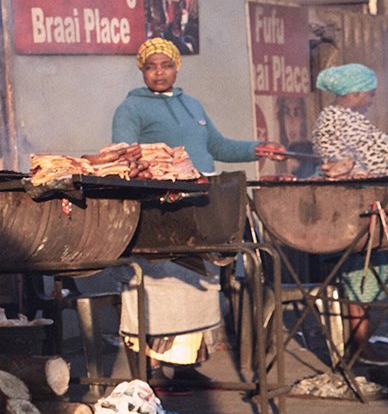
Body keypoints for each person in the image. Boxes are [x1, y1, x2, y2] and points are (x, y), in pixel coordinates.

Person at [100, 38, 283, 372]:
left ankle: (187, 365)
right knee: (162, 281)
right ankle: (152, 364)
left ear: (176, 68)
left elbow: (218, 146)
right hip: (162, 207)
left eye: (166, 65)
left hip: (202, 203)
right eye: (151, 66)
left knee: (200, 281)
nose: (159, 73)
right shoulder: (131, 108)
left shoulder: (193, 105)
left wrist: (258, 148)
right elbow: (124, 153)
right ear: (142, 70)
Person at [310, 63, 388, 346]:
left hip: (352, 207)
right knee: (360, 277)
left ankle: (360, 343)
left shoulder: (335, 118)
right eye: (370, 94)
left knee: (362, 276)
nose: (372, 100)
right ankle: (360, 345)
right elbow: (370, 162)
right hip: (353, 208)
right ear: (356, 93)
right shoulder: (342, 120)